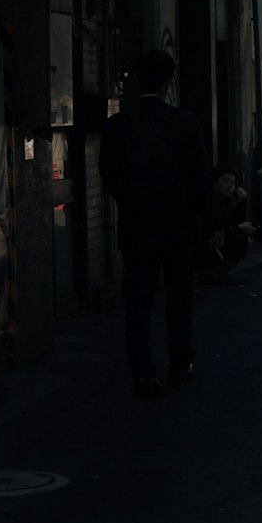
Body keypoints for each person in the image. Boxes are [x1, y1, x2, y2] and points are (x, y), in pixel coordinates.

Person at [99, 49, 215, 398]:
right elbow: (200, 177)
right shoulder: (183, 123)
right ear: (169, 83)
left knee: (139, 299)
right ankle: (179, 362)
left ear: (136, 80)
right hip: (177, 224)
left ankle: (143, 371)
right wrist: (213, 221)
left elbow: (108, 172)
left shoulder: (118, 124)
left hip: (137, 225)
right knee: (179, 296)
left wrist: (129, 202)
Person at [199, 164, 255, 284]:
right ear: (214, 182)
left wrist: (241, 202)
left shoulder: (227, 201)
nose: (230, 185)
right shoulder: (210, 203)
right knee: (242, 240)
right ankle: (213, 273)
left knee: (244, 238)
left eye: (233, 183)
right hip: (205, 243)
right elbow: (220, 228)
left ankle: (217, 272)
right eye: (225, 181)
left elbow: (235, 221)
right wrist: (239, 229)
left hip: (215, 242)